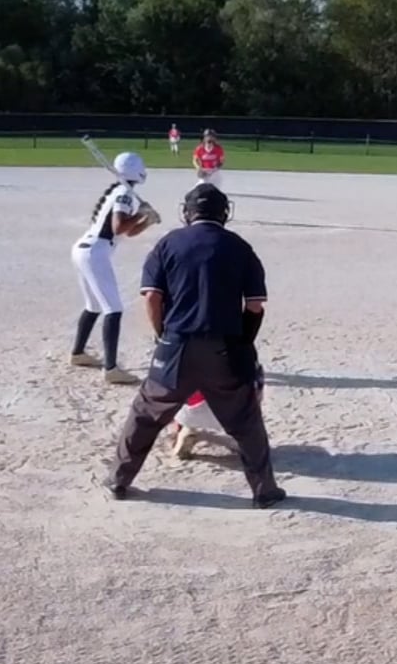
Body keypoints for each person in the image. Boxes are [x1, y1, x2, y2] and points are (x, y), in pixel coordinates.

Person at [104, 183, 285, 509]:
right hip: (225, 349)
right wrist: (243, 342)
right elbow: (255, 305)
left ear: (187, 213)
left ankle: (119, 480)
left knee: (145, 414)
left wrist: (163, 335)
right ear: (224, 213)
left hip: (176, 345)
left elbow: (152, 297)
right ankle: (265, 491)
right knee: (246, 422)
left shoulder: (167, 244)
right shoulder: (240, 247)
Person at [70, 151, 155, 385]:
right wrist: (140, 213)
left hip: (85, 249)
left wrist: (146, 220)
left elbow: (127, 231)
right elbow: (118, 227)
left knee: (94, 306)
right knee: (113, 309)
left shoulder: (119, 191)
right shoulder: (124, 194)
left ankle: (78, 353)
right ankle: (111, 368)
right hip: (95, 252)